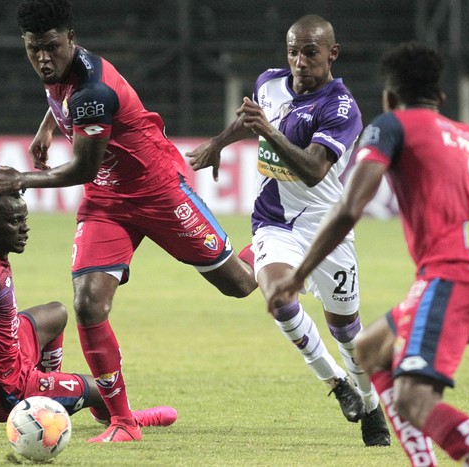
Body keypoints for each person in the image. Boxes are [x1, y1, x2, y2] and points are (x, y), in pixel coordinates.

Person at [268, 41, 469, 466]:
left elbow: (349, 209)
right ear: (442, 99)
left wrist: (299, 275)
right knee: (371, 348)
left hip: (454, 277)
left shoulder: (392, 126)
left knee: (413, 399)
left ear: (390, 99)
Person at [0, 0, 256, 443]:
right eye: (34, 50)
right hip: (108, 200)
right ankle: (124, 422)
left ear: (72, 40)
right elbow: (60, 100)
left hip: (159, 191)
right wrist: (47, 128)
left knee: (240, 284)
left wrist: (22, 177)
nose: (43, 59)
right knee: (89, 303)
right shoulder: (60, 72)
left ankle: (272, 244)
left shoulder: (93, 92)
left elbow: (82, 169)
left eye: (52, 48)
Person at [186, 14, 390, 447]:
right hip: (274, 223)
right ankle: (336, 385)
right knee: (278, 296)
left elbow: (315, 169)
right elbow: (251, 118)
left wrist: (269, 132)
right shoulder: (270, 82)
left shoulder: (341, 108)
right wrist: (219, 143)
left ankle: (372, 407)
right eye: (293, 52)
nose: (300, 61)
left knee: (348, 333)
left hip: (329, 231)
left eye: (310, 52)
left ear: (332, 54)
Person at [0, 168, 177, 436]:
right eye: (14, 221)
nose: (24, 228)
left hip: (10, 358)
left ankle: (48, 397)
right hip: (2, 391)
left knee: (57, 313)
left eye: (24, 219)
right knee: (103, 388)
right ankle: (112, 416)